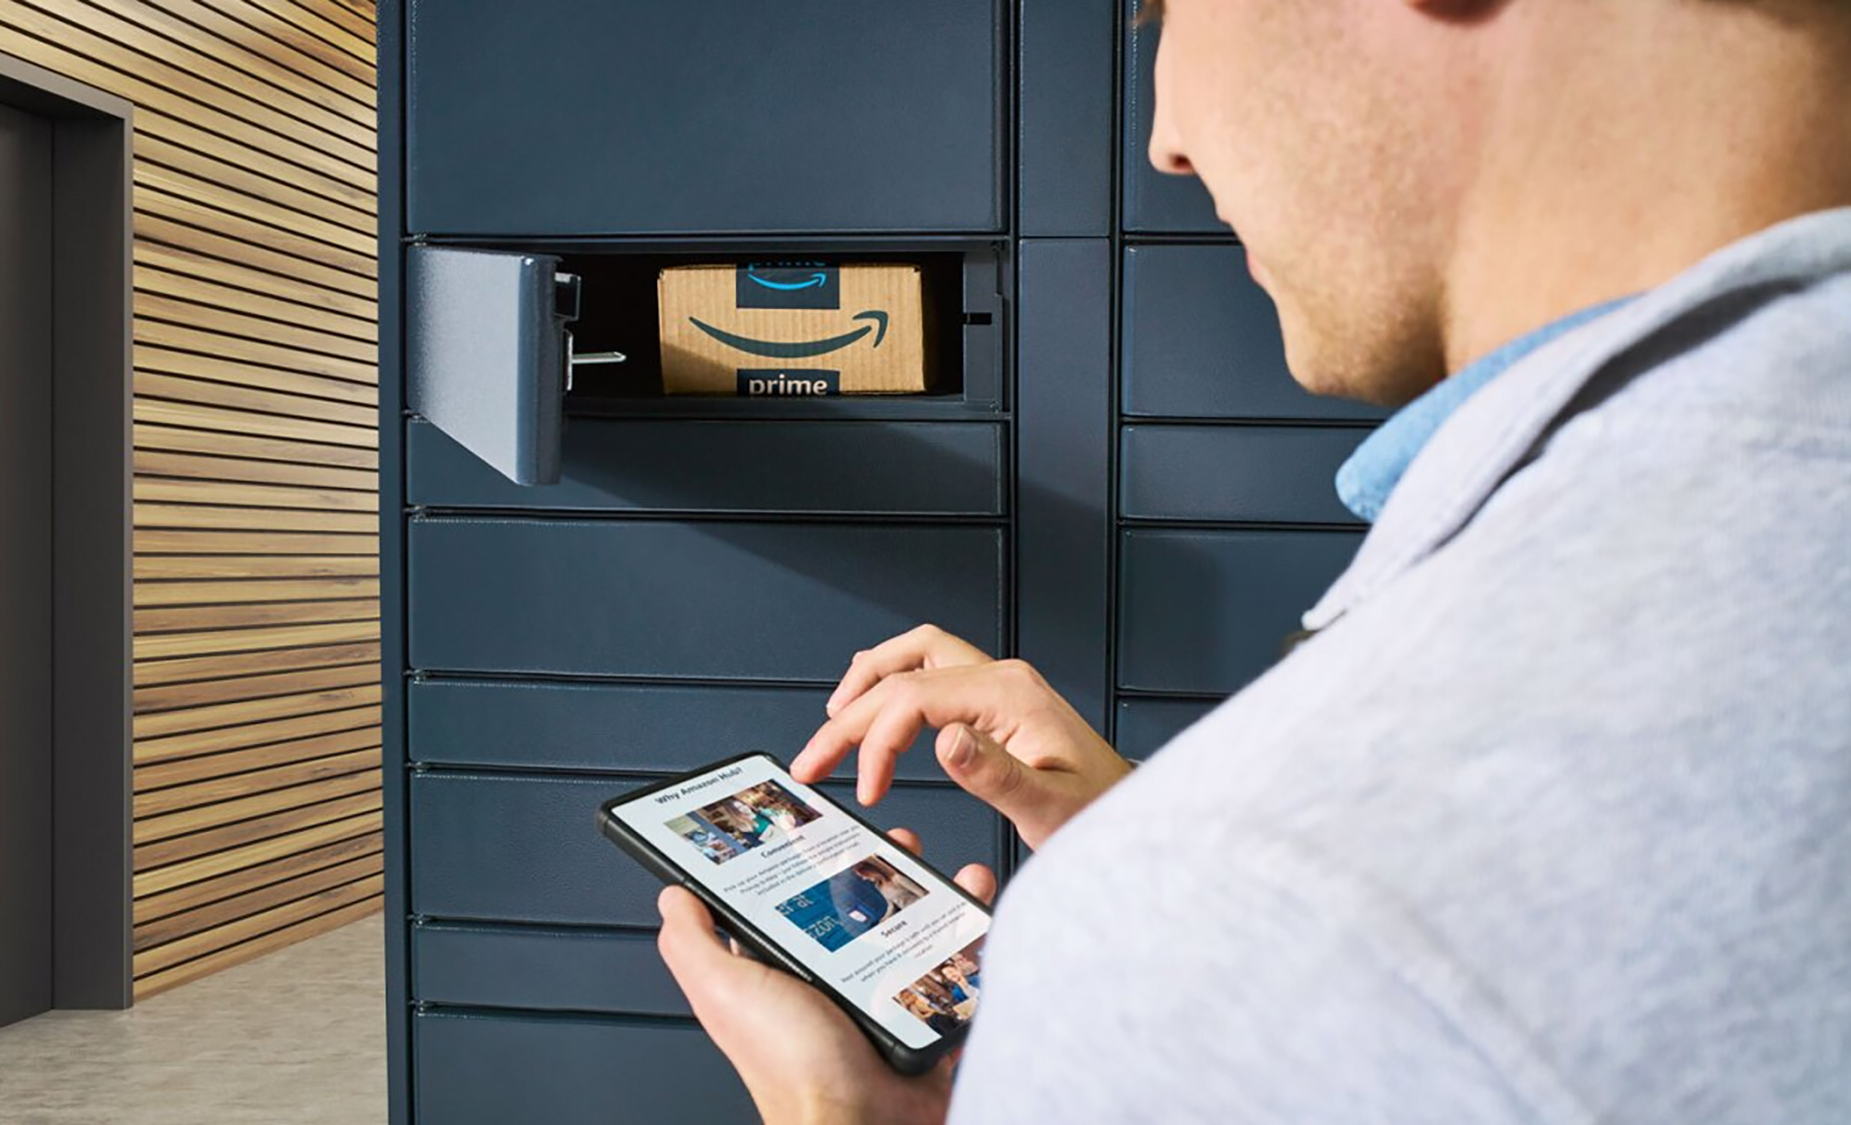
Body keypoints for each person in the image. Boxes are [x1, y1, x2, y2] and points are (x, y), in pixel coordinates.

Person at [653, 1, 1851, 1122]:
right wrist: (1166, 847)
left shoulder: (1252, 909)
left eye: (1166, 10)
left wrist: (1182, 910)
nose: (1165, 143)